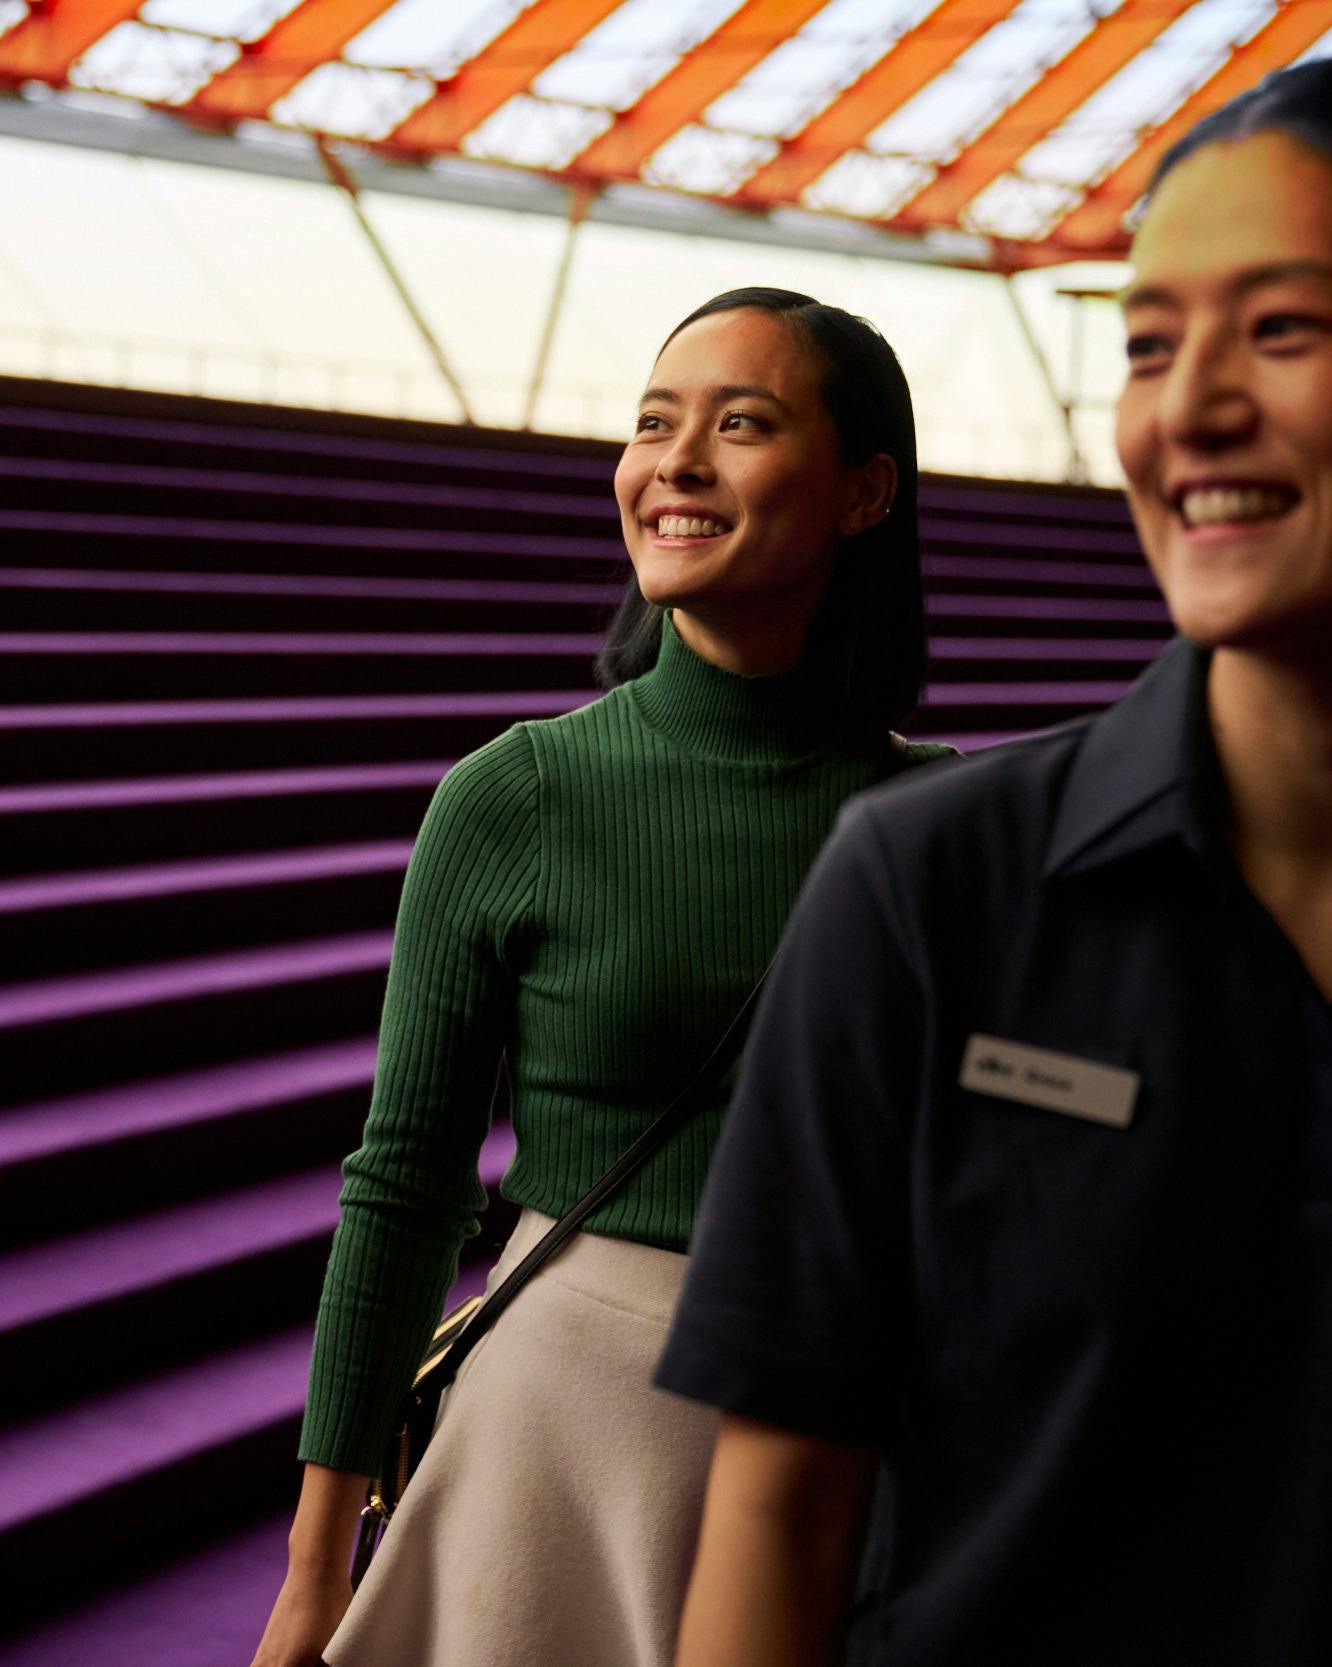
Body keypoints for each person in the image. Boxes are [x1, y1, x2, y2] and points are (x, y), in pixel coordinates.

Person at [658, 52, 1332, 1667]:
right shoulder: (925, 889)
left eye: (1281, 328)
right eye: (1148, 344)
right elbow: (778, 1519)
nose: (1185, 409)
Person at [250, 288, 950, 1667]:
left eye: (740, 425)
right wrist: (315, 1569)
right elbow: (404, 1184)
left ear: (866, 492)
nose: (674, 463)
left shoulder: (949, 831)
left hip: (849, 1432)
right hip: (566, 1425)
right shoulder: (515, 795)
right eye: (652, 424)